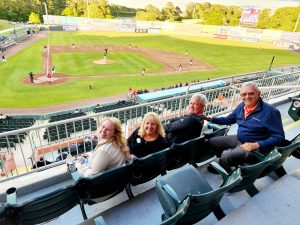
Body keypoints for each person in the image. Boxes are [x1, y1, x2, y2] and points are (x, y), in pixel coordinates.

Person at [205, 81, 285, 172]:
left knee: (226, 155)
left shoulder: (271, 112)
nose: (247, 97)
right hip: (240, 140)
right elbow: (228, 120)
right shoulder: (242, 106)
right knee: (213, 142)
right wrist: (210, 119)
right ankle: (227, 161)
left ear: (258, 94)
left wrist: (257, 145)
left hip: (256, 149)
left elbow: (279, 137)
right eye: (243, 94)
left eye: (251, 93)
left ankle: (225, 166)